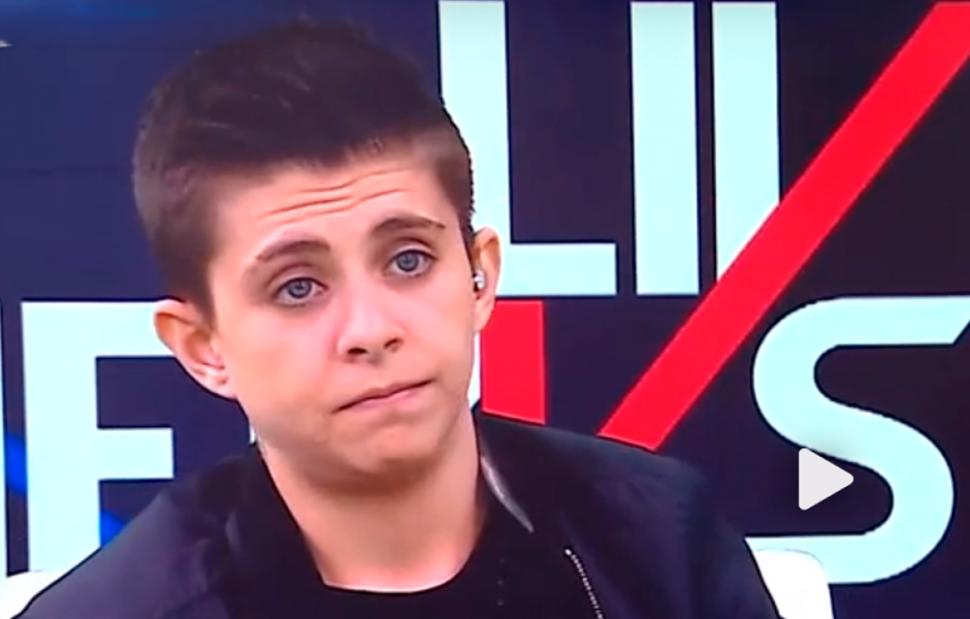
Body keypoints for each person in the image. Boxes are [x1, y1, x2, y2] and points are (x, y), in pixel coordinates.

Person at [19, 20, 779, 619]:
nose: (371, 328)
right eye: (297, 287)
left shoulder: (660, 544)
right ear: (203, 347)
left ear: (480, 276)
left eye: (409, 260)